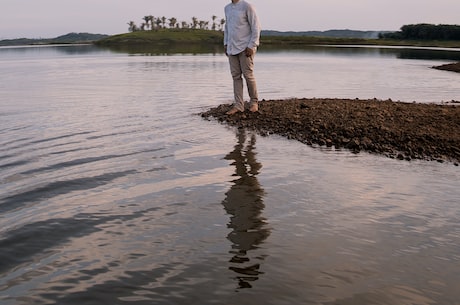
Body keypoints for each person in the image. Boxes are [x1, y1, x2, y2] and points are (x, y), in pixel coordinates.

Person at [224, 0, 261, 115]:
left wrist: (252, 45)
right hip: (232, 47)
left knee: (248, 75)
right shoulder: (227, 8)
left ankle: (254, 102)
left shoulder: (247, 6)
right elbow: (227, 27)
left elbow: (256, 27)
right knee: (235, 76)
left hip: (246, 47)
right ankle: (239, 105)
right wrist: (226, 43)